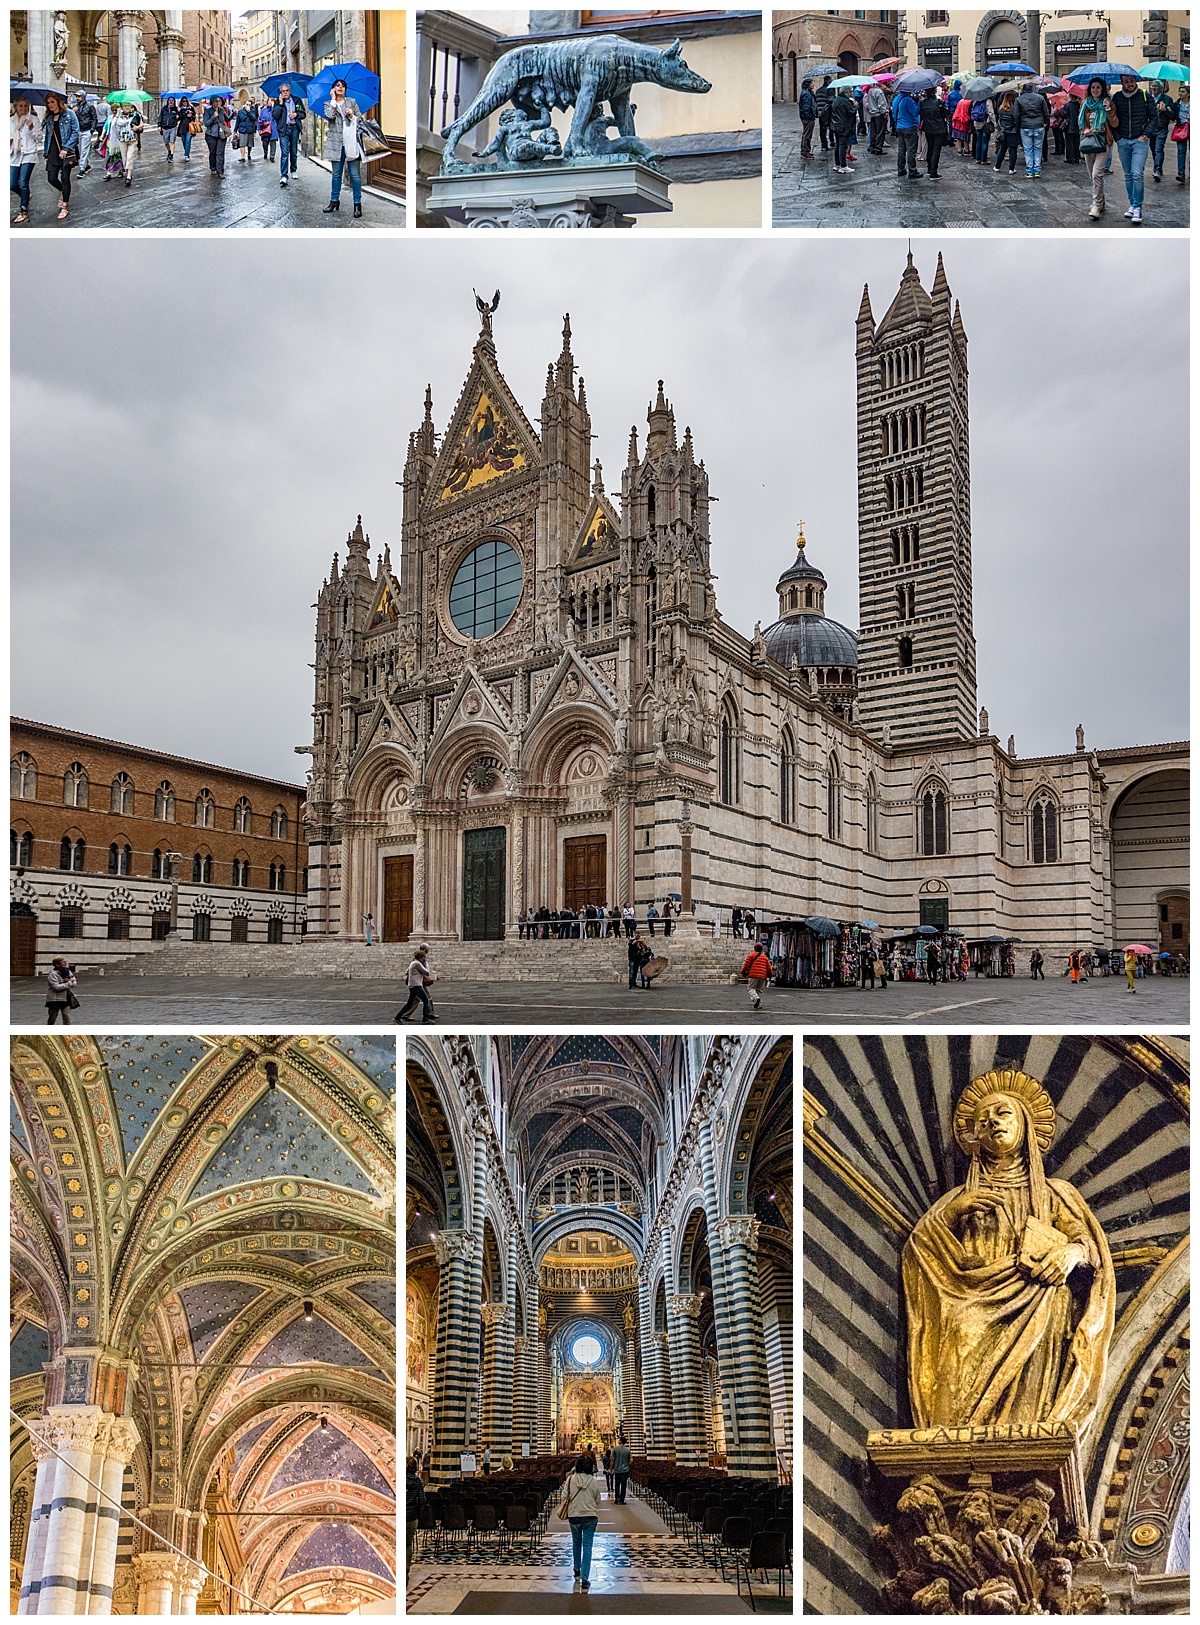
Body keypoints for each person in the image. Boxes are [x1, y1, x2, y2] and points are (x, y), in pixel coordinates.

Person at [1109, 71, 1155, 223]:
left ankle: (1138, 208)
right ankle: (1132, 204)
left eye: (1132, 80)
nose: (1130, 84)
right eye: (1126, 81)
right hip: (1123, 141)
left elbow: (1154, 117)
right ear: (1122, 83)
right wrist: (1118, 138)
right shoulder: (1117, 97)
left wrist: (1145, 135)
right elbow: (1113, 119)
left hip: (1139, 141)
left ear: (1135, 80)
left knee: (1137, 174)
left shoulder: (1145, 95)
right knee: (1128, 174)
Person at [560, 1454, 601, 1592]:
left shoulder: (570, 1479)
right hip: (590, 1517)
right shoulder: (593, 1481)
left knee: (576, 1543)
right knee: (588, 1546)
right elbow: (598, 1499)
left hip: (574, 1515)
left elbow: (564, 1496)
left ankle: (577, 1571)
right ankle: (585, 1579)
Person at [42, 91, 79, 221]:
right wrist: (46, 153)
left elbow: (75, 132)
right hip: (52, 152)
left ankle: (65, 205)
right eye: (48, 103)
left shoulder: (69, 114)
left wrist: (66, 148)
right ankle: (63, 193)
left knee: (64, 177)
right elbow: (47, 137)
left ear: (58, 101)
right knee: (51, 178)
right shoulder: (48, 117)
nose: (50, 105)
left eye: (52, 102)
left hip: (66, 151)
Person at [1079, 78, 1111, 218]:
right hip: (1089, 142)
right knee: (1092, 176)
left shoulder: (1107, 103)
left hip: (1103, 142)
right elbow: (1080, 121)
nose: (1095, 90)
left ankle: (1096, 205)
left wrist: (1108, 109)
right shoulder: (1085, 104)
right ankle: (1102, 202)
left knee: (1097, 174)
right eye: (1093, 87)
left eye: (1098, 87)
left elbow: (1115, 121)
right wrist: (1085, 129)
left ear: (1103, 89)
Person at [11, 95, 39, 224]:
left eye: (25, 106)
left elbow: (39, 138)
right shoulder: (10, 121)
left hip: (29, 154)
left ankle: (23, 210)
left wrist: (32, 128)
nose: (23, 108)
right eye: (20, 106)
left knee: (23, 182)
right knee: (12, 184)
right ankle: (25, 195)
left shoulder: (33, 119)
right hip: (14, 155)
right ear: (16, 107)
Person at [1015, 81, 1051, 178]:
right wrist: (1046, 122)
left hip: (1025, 126)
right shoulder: (1040, 98)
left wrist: (1018, 126)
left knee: (1028, 149)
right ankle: (1037, 170)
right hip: (1039, 125)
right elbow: (1046, 112)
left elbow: (1016, 115)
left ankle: (1030, 171)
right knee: (1038, 149)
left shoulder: (1019, 99)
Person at [273, 81, 305, 186]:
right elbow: (275, 116)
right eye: (283, 91)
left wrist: (296, 114)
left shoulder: (297, 100)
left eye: (287, 90)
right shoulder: (278, 102)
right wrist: (280, 104)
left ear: (290, 91)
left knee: (294, 151)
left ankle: (293, 170)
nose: (285, 93)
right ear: (280, 92)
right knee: (285, 152)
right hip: (284, 129)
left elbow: (303, 113)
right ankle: (284, 175)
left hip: (294, 128)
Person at [395, 945, 437, 1023]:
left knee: (410, 1003)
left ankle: (397, 1017)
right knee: (426, 1000)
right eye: (423, 957)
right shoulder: (417, 964)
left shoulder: (414, 963)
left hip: (413, 985)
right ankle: (425, 1019)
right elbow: (426, 972)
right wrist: (426, 964)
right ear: (420, 957)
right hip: (416, 985)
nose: (424, 959)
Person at [893, 85, 922, 178]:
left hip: (899, 126)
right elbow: (915, 112)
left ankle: (901, 169)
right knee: (911, 150)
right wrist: (919, 104)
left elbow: (894, 113)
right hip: (909, 126)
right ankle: (912, 171)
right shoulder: (908, 100)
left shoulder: (896, 99)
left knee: (901, 149)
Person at [1149, 80, 1175, 182]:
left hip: (1162, 128)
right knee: (1153, 150)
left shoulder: (1167, 99)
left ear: (1161, 88)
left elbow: (1173, 116)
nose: (1153, 88)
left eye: (1156, 86)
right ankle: (1159, 166)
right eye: (1152, 86)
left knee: (1159, 149)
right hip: (1151, 128)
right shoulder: (1148, 98)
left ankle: (1157, 170)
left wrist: (1166, 110)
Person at [919, 86, 948, 177]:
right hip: (939, 129)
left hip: (928, 128)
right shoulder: (939, 102)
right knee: (936, 150)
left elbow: (921, 114)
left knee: (930, 149)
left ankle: (929, 169)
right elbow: (946, 114)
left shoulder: (922, 103)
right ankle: (933, 172)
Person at [405, 1455, 427, 1573]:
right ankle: (406, 1571)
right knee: (407, 1544)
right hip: (411, 1516)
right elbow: (422, 1500)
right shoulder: (418, 1481)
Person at [828, 86, 856, 173]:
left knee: (838, 145)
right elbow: (851, 112)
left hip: (836, 125)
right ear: (845, 92)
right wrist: (855, 106)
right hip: (844, 125)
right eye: (850, 92)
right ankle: (843, 165)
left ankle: (837, 164)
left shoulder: (836, 100)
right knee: (843, 146)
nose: (851, 93)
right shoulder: (845, 101)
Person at [203, 95, 230, 178]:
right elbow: (206, 123)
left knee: (220, 153)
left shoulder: (221, 110)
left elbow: (227, 119)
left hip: (221, 134)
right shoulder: (208, 111)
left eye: (219, 101)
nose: (218, 103)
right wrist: (213, 117)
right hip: (211, 135)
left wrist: (234, 114)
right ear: (212, 102)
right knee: (213, 153)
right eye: (216, 101)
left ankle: (220, 171)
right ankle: (213, 167)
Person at [112, 103, 138, 187]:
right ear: (122, 107)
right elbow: (113, 124)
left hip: (132, 139)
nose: (127, 108)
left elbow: (141, 124)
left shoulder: (135, 114)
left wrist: (137, 127)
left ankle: (129, 177)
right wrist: (117, 113)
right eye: (125, 106)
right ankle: (128, 173)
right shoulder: (119, 116)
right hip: (122, 140)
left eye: (128, 106)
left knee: (130, 157)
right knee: (125, 159)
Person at [992, 90, 1019, 173]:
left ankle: (997, 166)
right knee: (1013, 149)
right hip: (1013, 132)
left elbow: (1000, 121)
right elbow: (1016, 121)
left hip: (1003, 132)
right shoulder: (1014, 110)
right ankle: (1011, 168)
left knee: (1002, 149)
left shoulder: (1000, 109)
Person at [741, 941, 772, 1010]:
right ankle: (759, 1004)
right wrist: (770, 976)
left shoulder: (751, 955)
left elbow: (746, 965)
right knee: (759, 990)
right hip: (763, 976)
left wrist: (742, 972)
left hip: (753, 975)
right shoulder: (765, 957)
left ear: (754, 948)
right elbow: (769, 968)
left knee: (751, 988)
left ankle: (756, 998)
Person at [46, 958, 77, 1025]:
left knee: (68, 1019)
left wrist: (68, 982)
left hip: (66, 998)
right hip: (54, 999)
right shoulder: (53, 974)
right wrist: (68, 983)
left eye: (65, 961)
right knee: (52, 1019)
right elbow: (56, 987)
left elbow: (74, 983)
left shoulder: (68, 971)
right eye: (63, 962)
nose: (65, 963)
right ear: (57, 964)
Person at [73, 91, 98, 173]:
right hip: (79, 130)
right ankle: (86, 165)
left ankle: (82, 168)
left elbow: (94, 118)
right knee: (80, 150)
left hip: (87, 130)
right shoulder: (75, 107)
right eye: (76, 96)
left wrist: (92, 129)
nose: (77, 98)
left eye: (79, 96)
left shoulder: (90, 106)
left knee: (84, 149)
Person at [864, 77, 889, 154]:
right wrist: (884, 113)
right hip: (879, 114)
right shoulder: (879, 92)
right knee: (880, 132)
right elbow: (881, 104)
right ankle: (878, 149)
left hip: (872, 114)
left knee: (873, 132)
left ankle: (873, 147)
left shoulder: (870, 91)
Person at [1171, 83, 1189, 184]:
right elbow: (1173, 116)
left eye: (1183, 91)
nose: (1180, 93)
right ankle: (1181, 173)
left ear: (1188, 93)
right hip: (1181, 128)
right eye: (1179, 91)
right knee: (1181, 151)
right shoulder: (1177, 104)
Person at [797, 76, 817, 160]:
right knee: (807, 135)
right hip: (808, 118)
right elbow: (806, 107)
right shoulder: (806, 94)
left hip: (808, 117)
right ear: (808, 84)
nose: (813, 84)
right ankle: (805, 151)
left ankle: (806, 150)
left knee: (807, 134)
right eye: (811, 83)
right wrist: (809, 116)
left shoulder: (808, 93)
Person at [970, 94, 993, 165]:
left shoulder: (975, 101)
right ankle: (983, 159)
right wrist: (994, 123)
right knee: (985, 142)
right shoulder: (988, 101)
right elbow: (991, 113)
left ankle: (978, 158)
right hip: (985, 124)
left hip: (977, 123)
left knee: (978, 141)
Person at [951, 90, 972, 156]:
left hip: (957, 119)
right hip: (964, 120)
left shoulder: (961, 101)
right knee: (965, 136)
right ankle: (966, 150)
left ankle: (959, 150)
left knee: (958, 136)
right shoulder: (970, 102)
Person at [814, 75, 833, 151]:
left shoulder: (818, 90)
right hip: (828, 112)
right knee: (832, 127)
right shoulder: (830, 89)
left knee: (822, 129)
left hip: (821, 113)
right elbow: (831, 100)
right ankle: (832, 141)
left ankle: (824, 145)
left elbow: (816, 101)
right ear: (829, 81)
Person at [159, 94, 179, 161]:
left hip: (172, 127)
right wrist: (159, 126)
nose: (171, 102)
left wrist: (179, 114)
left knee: (172, 141)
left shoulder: (176, 109)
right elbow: (160, 117)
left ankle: (171, 155)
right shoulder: (164, 109)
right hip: (165, 128)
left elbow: (179, 117)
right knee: (166, 142)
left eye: (172, 100)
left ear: (174, 101)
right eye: (170, 100)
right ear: (168, 101)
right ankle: (169, 151)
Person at [611, 1436, 631, 1505]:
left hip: (617, 1469)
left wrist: (611, 1468)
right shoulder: (627, 1450)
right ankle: (622, 1500)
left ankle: (617, 1499)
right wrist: (628, 1465)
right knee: (623, 1485)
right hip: (625, 1470)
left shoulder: (615, 1449)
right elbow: (631, 1460)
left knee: (617, 1484)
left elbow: (612, 1459)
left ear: (620, 1441)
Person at [258, 97, 278, 161]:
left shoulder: (276, 109)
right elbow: (260, 119)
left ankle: (272, 156)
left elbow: (278, 117)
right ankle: (265, 153)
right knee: (265, 143)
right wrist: (259, 128)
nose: (270, 102)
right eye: (269, 100)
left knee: (273, 143)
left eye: (271, 100)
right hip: (265, 128)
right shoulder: (264, 110)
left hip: (273, 128)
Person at [177, 93, 194, 159]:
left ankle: (186, 155)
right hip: (182, 127)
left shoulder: (191, 108)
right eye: (183, 101)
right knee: (184, 141)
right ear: (182, 102)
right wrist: (179, 112)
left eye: (186, 101)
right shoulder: (180, 109)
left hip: (189, 127)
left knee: (188, 141)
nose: (185, 102)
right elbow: (179, 118)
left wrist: (191, 116)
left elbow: (194, 116)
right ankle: (187, 152)